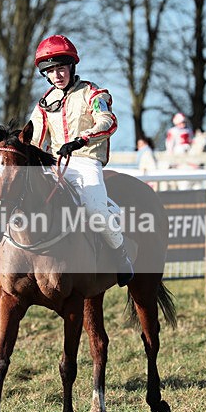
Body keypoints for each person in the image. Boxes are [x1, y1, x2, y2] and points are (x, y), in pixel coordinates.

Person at [29, 34, 134, 287]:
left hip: (87, 162)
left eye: (61, 68)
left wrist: (81, 139)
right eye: (51, 71)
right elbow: (33, 137)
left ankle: (121, 255)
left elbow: (107, 121)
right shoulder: (44, 104)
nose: (57, 75)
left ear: (71, 67)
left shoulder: (92, 93)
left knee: (95, 210)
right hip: (56, 165)